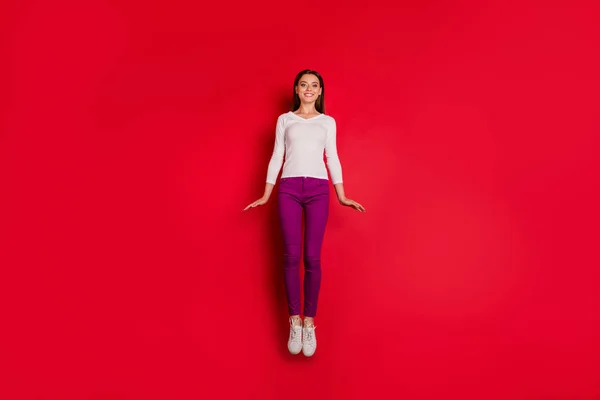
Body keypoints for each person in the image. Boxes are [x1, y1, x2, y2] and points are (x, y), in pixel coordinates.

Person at [244, 69, 365, 357]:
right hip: (288, 188)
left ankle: (309, 322)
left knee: (312, 257)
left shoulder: (327, 122)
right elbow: (277, 156)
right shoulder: (285, 120)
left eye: (314, 85)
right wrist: (266, 193)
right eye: (303, 84)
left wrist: (342, 194)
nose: (308, 89)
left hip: (318, 189)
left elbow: (332, 157)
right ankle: (294, 320)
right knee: (290, 256)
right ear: (296, 89)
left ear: (320, 91)